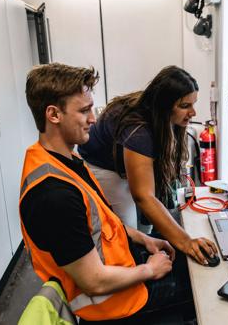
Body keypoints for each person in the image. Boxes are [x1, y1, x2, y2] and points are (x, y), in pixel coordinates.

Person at [19, 63, 192, 323]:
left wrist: (143, 240)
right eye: (84, 110)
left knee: (188, 264)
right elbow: (94, 282)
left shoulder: (62, 162)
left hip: (121, 275)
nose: (93, 119)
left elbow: (102, 225)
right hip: (113, 307)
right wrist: (148, 269)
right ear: (54, 114)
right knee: (199, 284)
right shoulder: (53, 195)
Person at [77, 66, 218, 265]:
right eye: (185, 106)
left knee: (147, 226)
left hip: (121, 158)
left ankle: (147, 262)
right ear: (165, 105)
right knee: (125, 234)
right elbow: (142, 196)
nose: (193, 112)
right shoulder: (139, 131)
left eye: (193, 104)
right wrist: (186, 242)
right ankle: (131, 274)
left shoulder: (155, 109)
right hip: (102, 167)